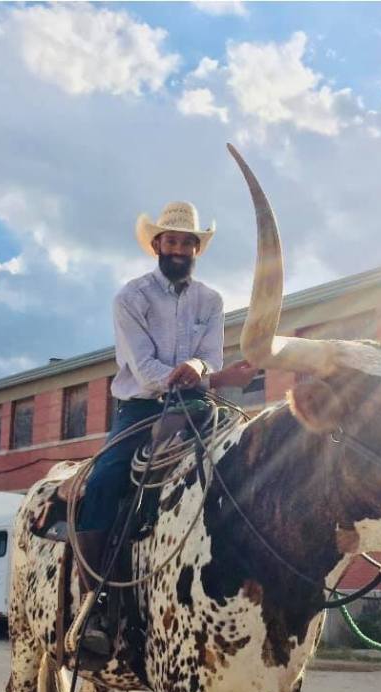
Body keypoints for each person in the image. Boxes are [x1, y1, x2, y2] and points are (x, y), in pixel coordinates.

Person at [75, 201, 256, 657]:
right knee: (103, 483)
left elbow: (210, 357)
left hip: (196, 404)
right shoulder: (130, 299)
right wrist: (200, 372)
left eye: (186, 242)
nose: (178, 248)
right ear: (157, 245)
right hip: (140, 410)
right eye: (170, 241)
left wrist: (201, 368)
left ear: (197, 248)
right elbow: (147, 369)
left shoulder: (210, 301)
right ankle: (94, 607)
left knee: (245, 462)